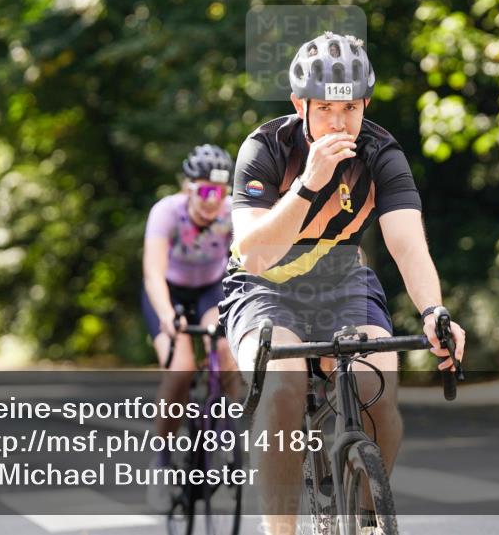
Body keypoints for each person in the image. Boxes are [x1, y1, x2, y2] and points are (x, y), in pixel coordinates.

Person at [219, 31, 467, 534]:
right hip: (262, 288)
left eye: (351, 109)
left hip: (342, 279)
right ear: (300, 104)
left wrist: (433, 312)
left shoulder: (381, 153)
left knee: (378, 381)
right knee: (284, 386)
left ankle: (369, 515)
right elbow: (256, 252)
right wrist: (309, 184)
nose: (339, 123)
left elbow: (406, 242)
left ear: (366, 105)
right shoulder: (265, 149)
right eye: (326, 110)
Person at [141, 144, 238, 509]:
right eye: (206, 191)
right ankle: (162, 463)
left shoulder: (232, 214)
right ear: (189, 188)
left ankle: (228, 439)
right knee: (179, 369)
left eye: (222, 191)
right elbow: (152, 273)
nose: (214, 200)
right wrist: (167, 315)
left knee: (227, 349)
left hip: (210, 290)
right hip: (170, 290)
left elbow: (244, 268)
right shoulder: (166, 212)